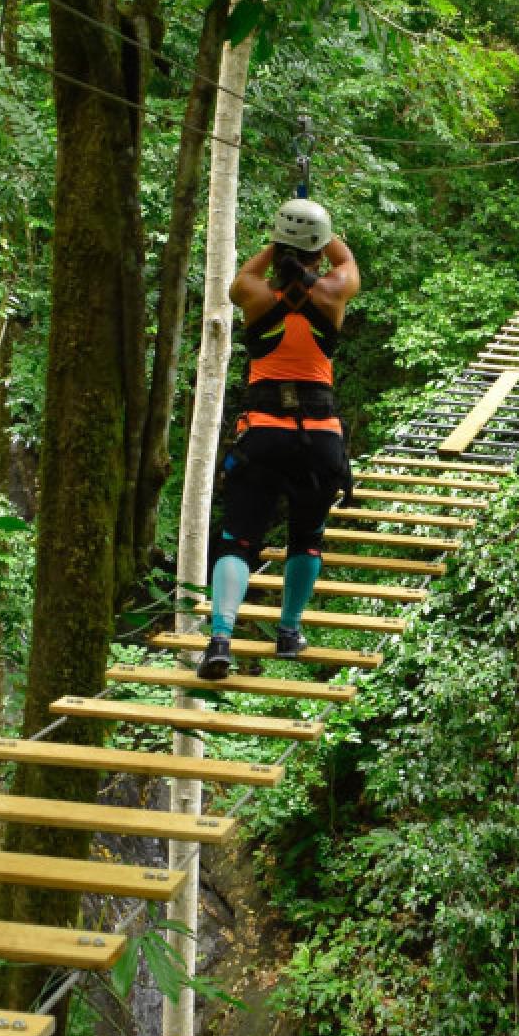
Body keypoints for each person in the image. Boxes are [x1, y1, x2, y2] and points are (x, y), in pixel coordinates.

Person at [197, 198, 360, 680]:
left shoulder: (253, 294)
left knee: (237, 542)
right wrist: (320, 233)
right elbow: (346, 261)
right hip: (320, 441)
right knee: (305, 539)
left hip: (263, 434)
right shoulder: (334, 293)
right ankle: (288, 633)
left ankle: (221, 639)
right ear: (318, 251)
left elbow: (241, 277)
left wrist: (277, 245)